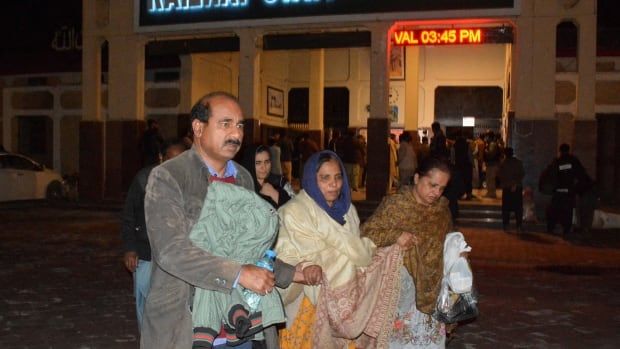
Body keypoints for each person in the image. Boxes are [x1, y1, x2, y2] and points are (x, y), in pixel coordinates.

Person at [141, 92, 320, 349]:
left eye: (239, 125)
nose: (236, 134)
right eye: (225, 124)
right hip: (188, 322)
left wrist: (291, 273)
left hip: (239, 323)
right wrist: (237, 274)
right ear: (198, 127)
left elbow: (248, 244)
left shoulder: (243, 178)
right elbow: (171, 251)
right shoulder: (169, 176)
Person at [276, 150, 415, 348]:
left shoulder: (348, 210)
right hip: (307, 304)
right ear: (311, 179)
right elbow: (285, 258)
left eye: (338, 177)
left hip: (348, 303)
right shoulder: (293, 212)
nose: (333, 184)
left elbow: (358, 253)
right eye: (325, 178)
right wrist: (306, 266)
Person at [362, 156, 453, 348]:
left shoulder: (442, 210)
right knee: (399, 340)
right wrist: (395, 236)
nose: (436, 193)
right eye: (432, 185)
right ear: (417, 178)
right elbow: (367, 232)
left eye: (442, 188)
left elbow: (448, 238)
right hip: (401, 287)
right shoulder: (396, 205)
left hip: (433, 287)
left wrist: (458, 251)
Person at [121, 139, 188, 331]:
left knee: (175, 310)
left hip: (177, 257)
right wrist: (130, 248)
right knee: (146, 305)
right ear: (161, 158)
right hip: (146, 255)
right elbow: (129, 215)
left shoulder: (189, 183)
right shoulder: (144, 180)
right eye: (170, 159)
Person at [546, 143, 588, 236]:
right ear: (568, 150)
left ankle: (551, 227)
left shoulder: (557, 161)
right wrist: (577, 188)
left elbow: (550, 174)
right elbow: (581, 174)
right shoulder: (573, 161)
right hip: (569, 191)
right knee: (568, 211)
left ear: (560, 151)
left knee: (554, 210)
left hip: (558, 191)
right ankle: (566, 229)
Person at [241, 144, 295, 209]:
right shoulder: (243, 187)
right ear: (250, 164)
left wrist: (274, 194)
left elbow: (296, 211)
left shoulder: (280, 182)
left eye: (267, 162)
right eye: (258, 163)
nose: (263, 167)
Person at [497, 147, 525, 232]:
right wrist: (515, 183)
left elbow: (500, 175)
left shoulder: (503, 163)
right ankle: (519, 226)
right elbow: (522, 174)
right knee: (518, 208)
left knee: (506, 208)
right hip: (517, 187)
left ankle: (506, 225)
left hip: (507, 188)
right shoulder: (518, 162)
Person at [483, 131, 502, 198]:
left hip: (492, 164)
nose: (485, 138)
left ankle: (491, 193)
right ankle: (490, 192)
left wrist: (485, 151)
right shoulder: (492, 143)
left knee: (490, 179)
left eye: (486, 136)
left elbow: (491, 154)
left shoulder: (492, 144)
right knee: (490, 179)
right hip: (492, 164)